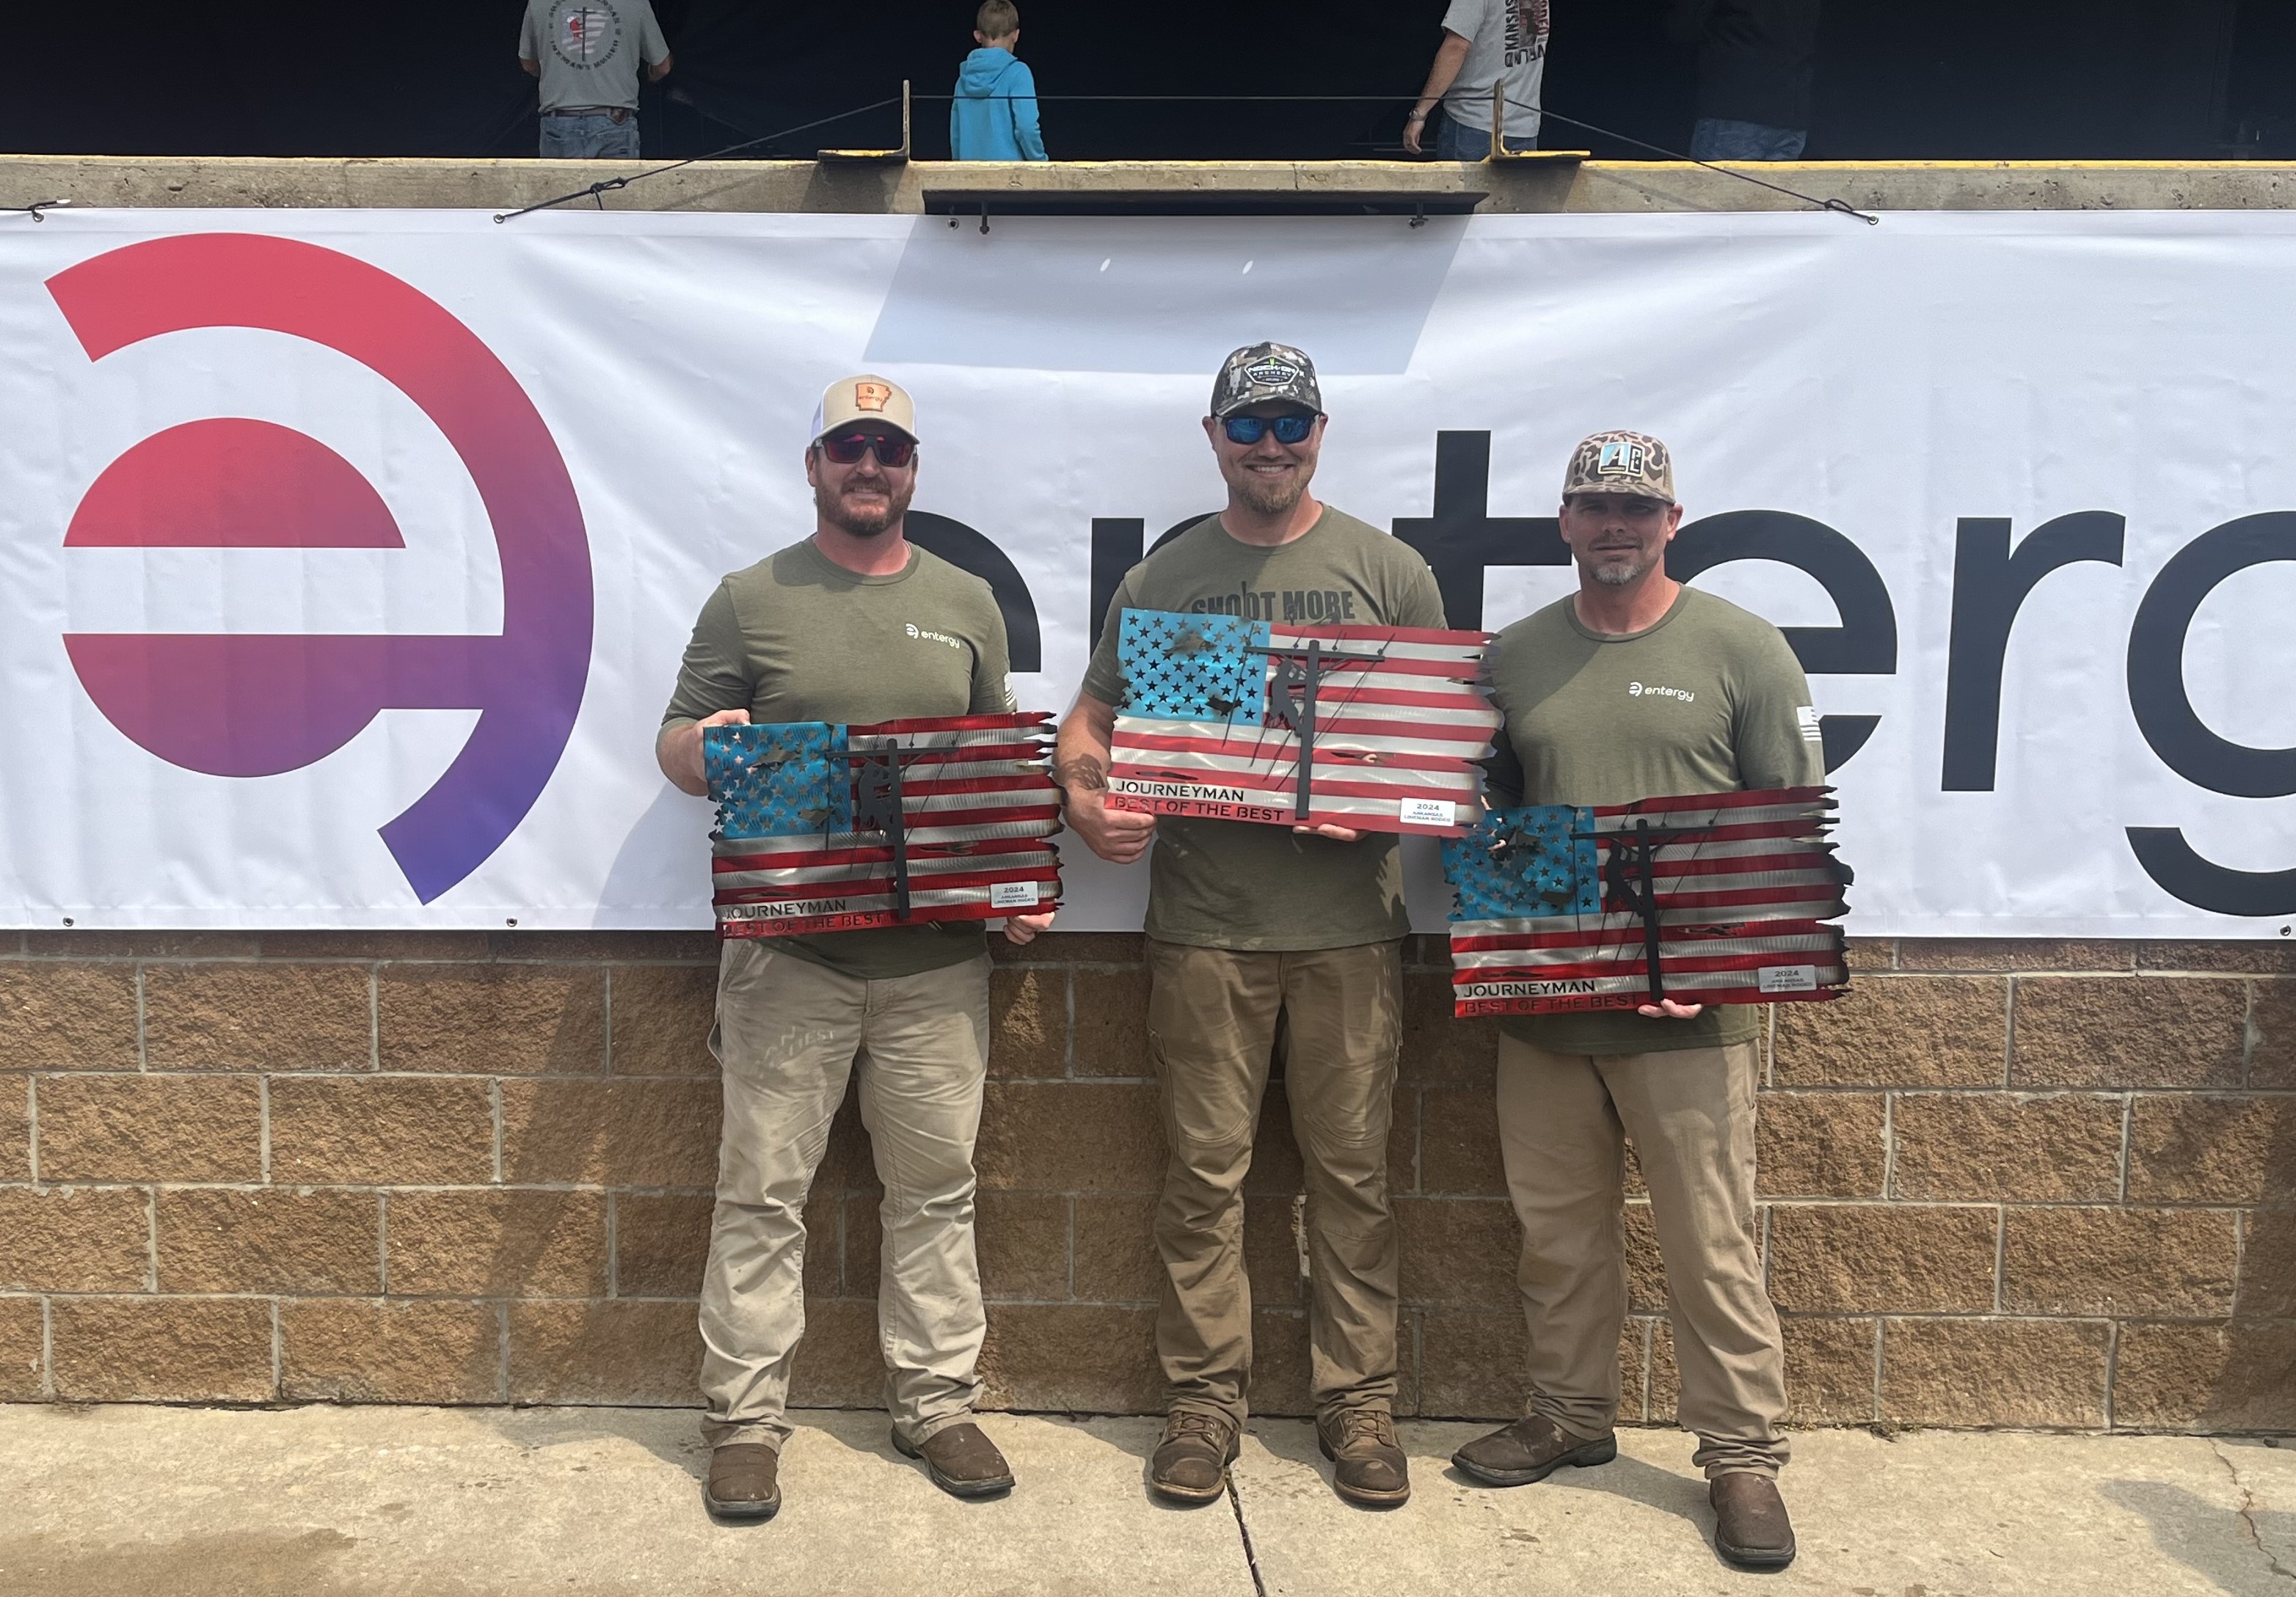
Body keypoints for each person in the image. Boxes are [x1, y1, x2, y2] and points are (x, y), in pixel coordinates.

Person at [1055, 344, 1446, 1510]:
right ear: (1214, 437)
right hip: (1206, 931)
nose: (1269, 445)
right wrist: (1085, 797)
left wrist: (1375, 799)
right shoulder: (1165, 578)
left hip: (1351, 935)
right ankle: (1203, 1403)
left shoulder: (1388, 572)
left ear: (1321, 430)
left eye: (1290, 423)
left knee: (1354, 1179)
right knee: (1201, 1179)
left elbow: (1448, 756)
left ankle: (1358, 1402)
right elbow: (1091, 723)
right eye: (1248, 426)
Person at [658, 375, 1054, 1522]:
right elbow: (675, 742)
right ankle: (743, 1420)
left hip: (934, 967)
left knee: (934, 1191)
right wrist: (707, 747)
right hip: (790, 961)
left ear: (913, 470)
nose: (868, 467)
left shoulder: (969, 600)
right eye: (849, 447)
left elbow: (992, 773)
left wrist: (1018, 883)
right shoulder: (750, 599)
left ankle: (936, 1401)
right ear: (814, 463)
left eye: (888, 449)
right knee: (760, 1196)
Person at [1448, 431, 1816, 1571]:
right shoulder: (1513, 657)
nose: (1615, 524)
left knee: (1711, 1241)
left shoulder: (1740, 648)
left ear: (1672, 520)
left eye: (1635, 506)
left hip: (1691, 1019)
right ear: (1562, 520)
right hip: (1550, 1008)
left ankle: (1742, 1457)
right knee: (1557, 1234)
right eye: (1594, 505)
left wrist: (1705, 962)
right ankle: (1570, 1414)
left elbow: (1787, 828)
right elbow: (1488, 819)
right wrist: (1520, 936)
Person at [1668, 0, 1821, 161]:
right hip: (1792, 113)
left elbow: (1683, 26)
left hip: (1734, 109)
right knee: (1774, 186)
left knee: (1717, 185)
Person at [519, 0, 674, 159]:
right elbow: (663, 66)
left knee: (563, 185)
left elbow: (529, 63)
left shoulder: (538, 3)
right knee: (614, 184)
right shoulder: (635, 3)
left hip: (559, 122)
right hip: (616, 124)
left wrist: (554, 73)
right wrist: (648, 76)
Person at [1404, 0, 1551, 158]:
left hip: (1473, 124)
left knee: (1460, 184)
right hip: (1524, 125)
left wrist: (1420, 113)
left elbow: (1457, 47)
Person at [950, 1, 1048, 161]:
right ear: (1016, 35)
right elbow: (1026, 127)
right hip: (1010, 179)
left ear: (978, 35)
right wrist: (1040, 163)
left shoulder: (963, 79)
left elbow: (956, 135)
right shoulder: (1018, 73)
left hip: (968, 178)